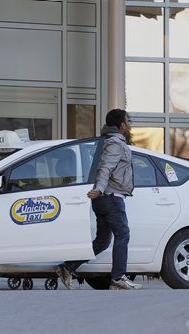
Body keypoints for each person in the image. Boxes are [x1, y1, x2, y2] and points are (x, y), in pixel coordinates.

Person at [56, 109, 142, 290]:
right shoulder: (115, 144)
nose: (128, 125)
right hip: (110, 197)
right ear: (122, 125)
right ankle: (118, 278)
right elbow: (105, 168)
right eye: (127, 121)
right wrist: (100, 188)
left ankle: (67, 268)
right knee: (123, 234)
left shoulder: (109, 141)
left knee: (102, 242)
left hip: (105, 198)